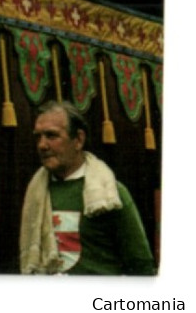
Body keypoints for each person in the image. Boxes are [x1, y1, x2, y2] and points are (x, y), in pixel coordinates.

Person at [19, 100, 155, 275]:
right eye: (38, 137)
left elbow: (140, 265)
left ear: (78, 140)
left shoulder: (110, 194)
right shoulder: (36, 193)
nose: (42, 145)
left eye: (51, 136)